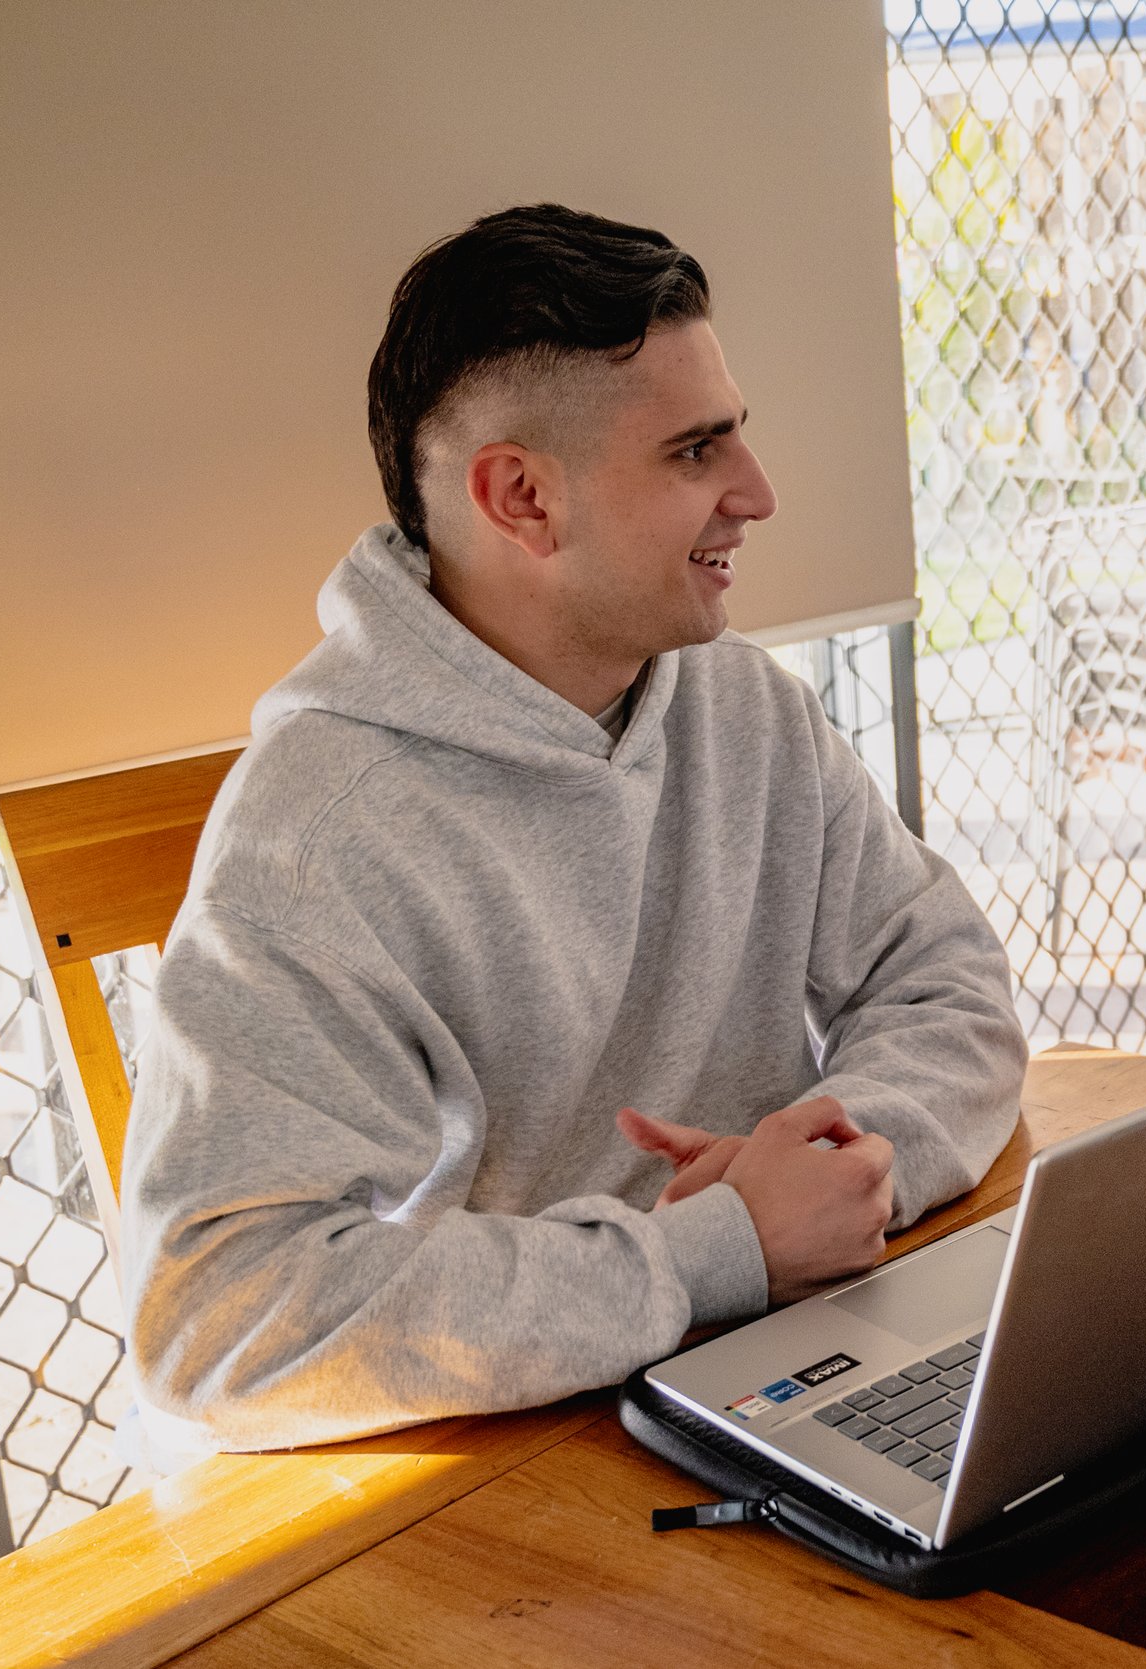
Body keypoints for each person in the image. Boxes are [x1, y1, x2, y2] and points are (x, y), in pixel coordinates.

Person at [124, 205, 1028, 1452]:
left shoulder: (739, 703)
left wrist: (832, 1170)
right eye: (695, 452)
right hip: (504, 1468)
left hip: (781, 1370)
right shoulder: (316, 842)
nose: (757, 495)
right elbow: (218, 1317)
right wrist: (710, 1249)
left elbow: (950, 986)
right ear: (523, 498)